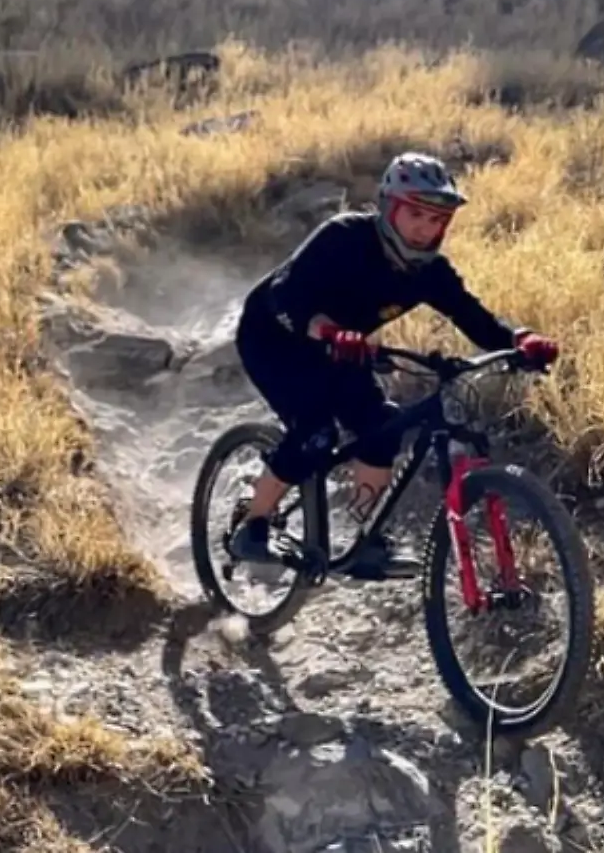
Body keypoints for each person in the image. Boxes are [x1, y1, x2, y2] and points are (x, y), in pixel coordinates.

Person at [225, 151, 559, 579]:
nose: (426, 228)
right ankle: (253, 525)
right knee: (315, 432)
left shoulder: (430, 272)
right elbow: (284, 295)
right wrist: (327, 331)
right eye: (415, 214)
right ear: (388, 207)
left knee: (383, 428)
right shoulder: (343, 237)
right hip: (274, 338)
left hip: (346, 349)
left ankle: (366, 540)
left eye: (437, 219)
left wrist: (520, 339)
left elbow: (474, 317)